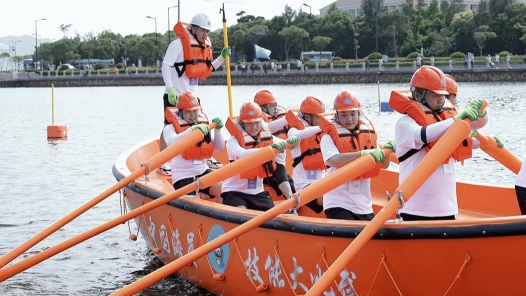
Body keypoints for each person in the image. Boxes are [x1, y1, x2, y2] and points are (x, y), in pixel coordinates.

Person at [389, 65, 489, 221]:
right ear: (417, 95)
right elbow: (423, 134)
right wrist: (457, 119)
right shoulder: (405, 123)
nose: (442, 100)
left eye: (443, 96)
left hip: (446, 209)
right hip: (416, 210)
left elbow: (477, 124)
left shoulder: (446, 121)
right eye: (435, 95)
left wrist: (482, 113)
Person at [157, 13, 231, 175]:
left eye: (208, 32)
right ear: (194, 28)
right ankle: (162, 162)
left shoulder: (203, 47)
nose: (206, 34)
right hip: (175, 95)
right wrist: (169, 88)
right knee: (169, 126)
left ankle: (205, 158)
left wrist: (221, 58)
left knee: (202, 125)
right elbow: (166, 65)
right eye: (204, 30)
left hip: (192, 98)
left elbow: (207, 69)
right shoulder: (177, 45)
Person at [319, 91, 393, 221]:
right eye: (344, 115)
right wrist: (362, 154)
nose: (349, 119)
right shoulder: (328, 138)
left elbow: (385, 165)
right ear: (337, 115)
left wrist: (387, 151)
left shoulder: (369, 135)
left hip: (364, 205)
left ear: (359, 113)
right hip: (338, 203)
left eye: (353, 114)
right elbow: (334, 160)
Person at [222, 102, 299, 210]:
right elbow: (243, 154)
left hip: (257, 192)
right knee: (241, 213)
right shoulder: (233, 142)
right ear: (242, 123)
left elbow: (280, 173)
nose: (253, 127)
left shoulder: (273, 141)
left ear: (262, 121)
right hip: (234, 192)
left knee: (272, 218)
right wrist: (271, 150)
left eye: (257, 123)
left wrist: (290, 196)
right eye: (249, 123)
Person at [163, 92, 225, 200]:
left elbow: (220, 147)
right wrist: (192, 130)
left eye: (195, 111)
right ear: (180, 112)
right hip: (183, 175)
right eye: (188, 112)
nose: (193, 115)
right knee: (192, 201)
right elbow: (172, 143)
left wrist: (218, 130)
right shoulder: (170, 128)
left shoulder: (203, 125)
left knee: (225, 191)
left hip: (203, 171)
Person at [286, 96, 327, 213]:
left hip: (323, 182)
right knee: (331, 199)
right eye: (319, 117)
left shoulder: (323, 133)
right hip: (303, 186)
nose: (322, 121)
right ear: (308, 116)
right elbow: (300, 135)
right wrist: (321, 127)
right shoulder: (293, 131)